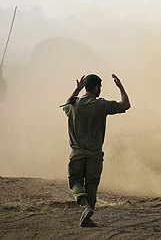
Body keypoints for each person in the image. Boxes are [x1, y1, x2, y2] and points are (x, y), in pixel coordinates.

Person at [62, 73, 130, 227]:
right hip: (94, 155)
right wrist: (121, 87)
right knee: (92, 184)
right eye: (100, 87)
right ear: (96, 88)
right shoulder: (101, 105)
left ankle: (85, 207)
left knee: (75, 182)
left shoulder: (74, 105)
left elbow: (66, 105)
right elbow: (125, 105)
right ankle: (88, 212)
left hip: (77, 154)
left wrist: (76, 90)